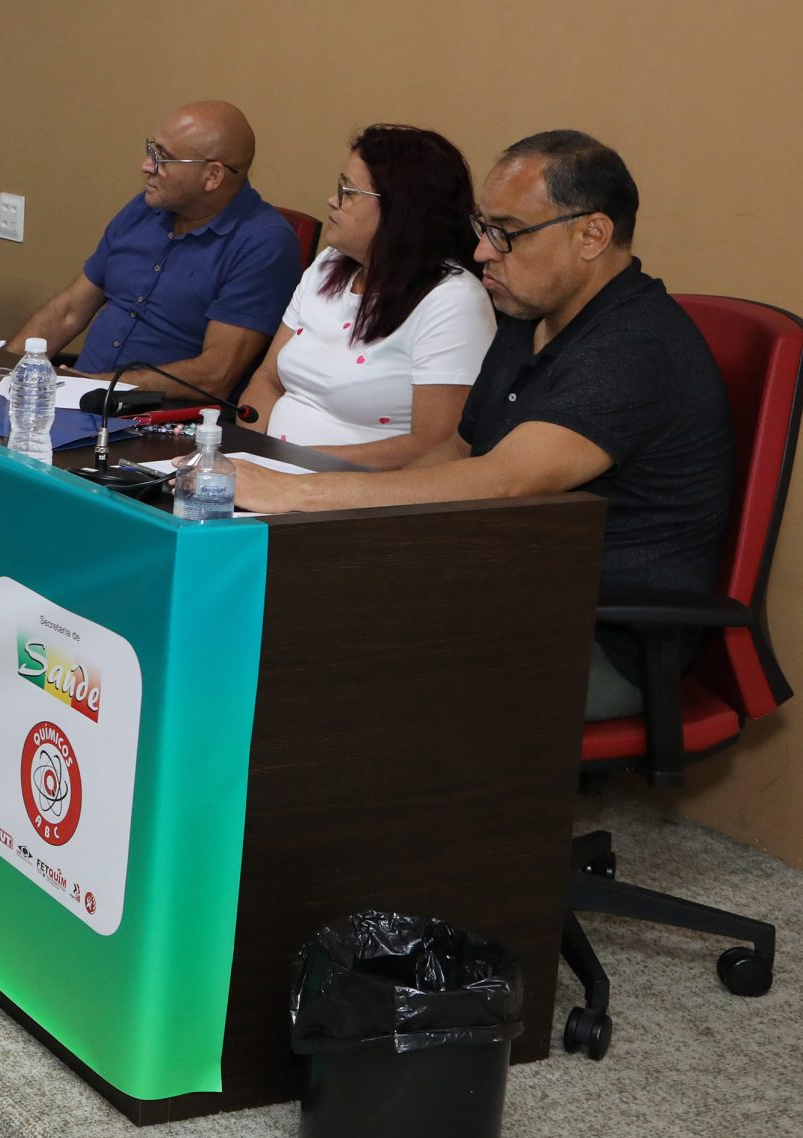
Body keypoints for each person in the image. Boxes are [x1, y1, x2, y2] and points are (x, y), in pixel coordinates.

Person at [234, 132, 734, 721]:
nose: (481, 252)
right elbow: (456, 448)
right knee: (271, 607)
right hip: (499, 586)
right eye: (483, 227)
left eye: (507, 233)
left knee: (321, 668)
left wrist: (302, 494)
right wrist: (316, 517)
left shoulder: (635, 347)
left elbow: (507, 479)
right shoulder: (530, 316)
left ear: (592, 235)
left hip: (592, 637)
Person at [5, 100, 303, 403]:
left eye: (163, 157)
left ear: (212, 176)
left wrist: (93, 387)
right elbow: (68, 311)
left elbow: (216, 375)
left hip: (153, 420)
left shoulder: (264, 242)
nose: (146, 165)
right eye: (152, 149)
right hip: (77, 397)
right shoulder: (145, 208)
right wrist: (4, 373)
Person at [237, 125, 495, 467]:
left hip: (356, 496)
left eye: (348, 190)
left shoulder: (453, 301)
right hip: (271, 473)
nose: (333, 199)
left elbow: (435, 446)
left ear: (401, 209)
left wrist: (295, 466)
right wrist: (247, 456)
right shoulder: (329, 264)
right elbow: (267, 379)